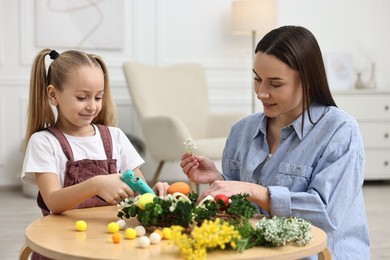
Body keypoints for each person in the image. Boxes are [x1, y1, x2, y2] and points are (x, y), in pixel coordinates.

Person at [180, 26, 370, 259]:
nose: (261, 93)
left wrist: (252, 190)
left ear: (308, 81)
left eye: (275, 84)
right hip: (258, 252)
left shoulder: (340, 131)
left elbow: (325, 215)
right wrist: (221, 181)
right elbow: (244, 211)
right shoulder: (241, 131)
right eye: (257, 79)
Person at [21, 49, 169, 218]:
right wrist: (96, 184)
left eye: (98, 97)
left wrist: (154, 194)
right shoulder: (44, 142)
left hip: (112, 233)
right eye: (82, 97)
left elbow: (139, 190)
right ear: (54, 95)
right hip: (63, 238)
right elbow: (53, 203)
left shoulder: (116, 137)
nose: (92, 106)